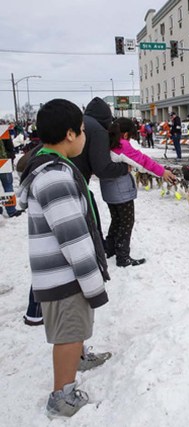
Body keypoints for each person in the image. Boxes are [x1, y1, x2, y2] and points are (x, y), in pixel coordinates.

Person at [17, 99, 111, 418]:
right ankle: (62, 394)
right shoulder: (55, 176)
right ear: (70, 134)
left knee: (77, 326)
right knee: (69, 331)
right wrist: (92, 281)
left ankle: (79, 356)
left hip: (62, 272)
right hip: (64, 274)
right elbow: (72, 237)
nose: (84, 136)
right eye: (83, 130)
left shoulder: (50, 165)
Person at [101, 118, 176, 267]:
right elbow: (142, 162)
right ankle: (123, 257)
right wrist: (162, 172)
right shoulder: (121, 145)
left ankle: (110, 249)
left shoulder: (106, 142)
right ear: (126, 133)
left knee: (116, 220)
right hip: (120, 191)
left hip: (108, 190)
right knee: (126, 222)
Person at [70, 97, 131, 247]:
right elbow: (103, 168)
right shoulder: (98, 129)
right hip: (76, 181)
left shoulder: (83, 122)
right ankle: (97, 245)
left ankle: (103, 245)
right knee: (90, 212)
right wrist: (125, 168)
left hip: (67, 176)